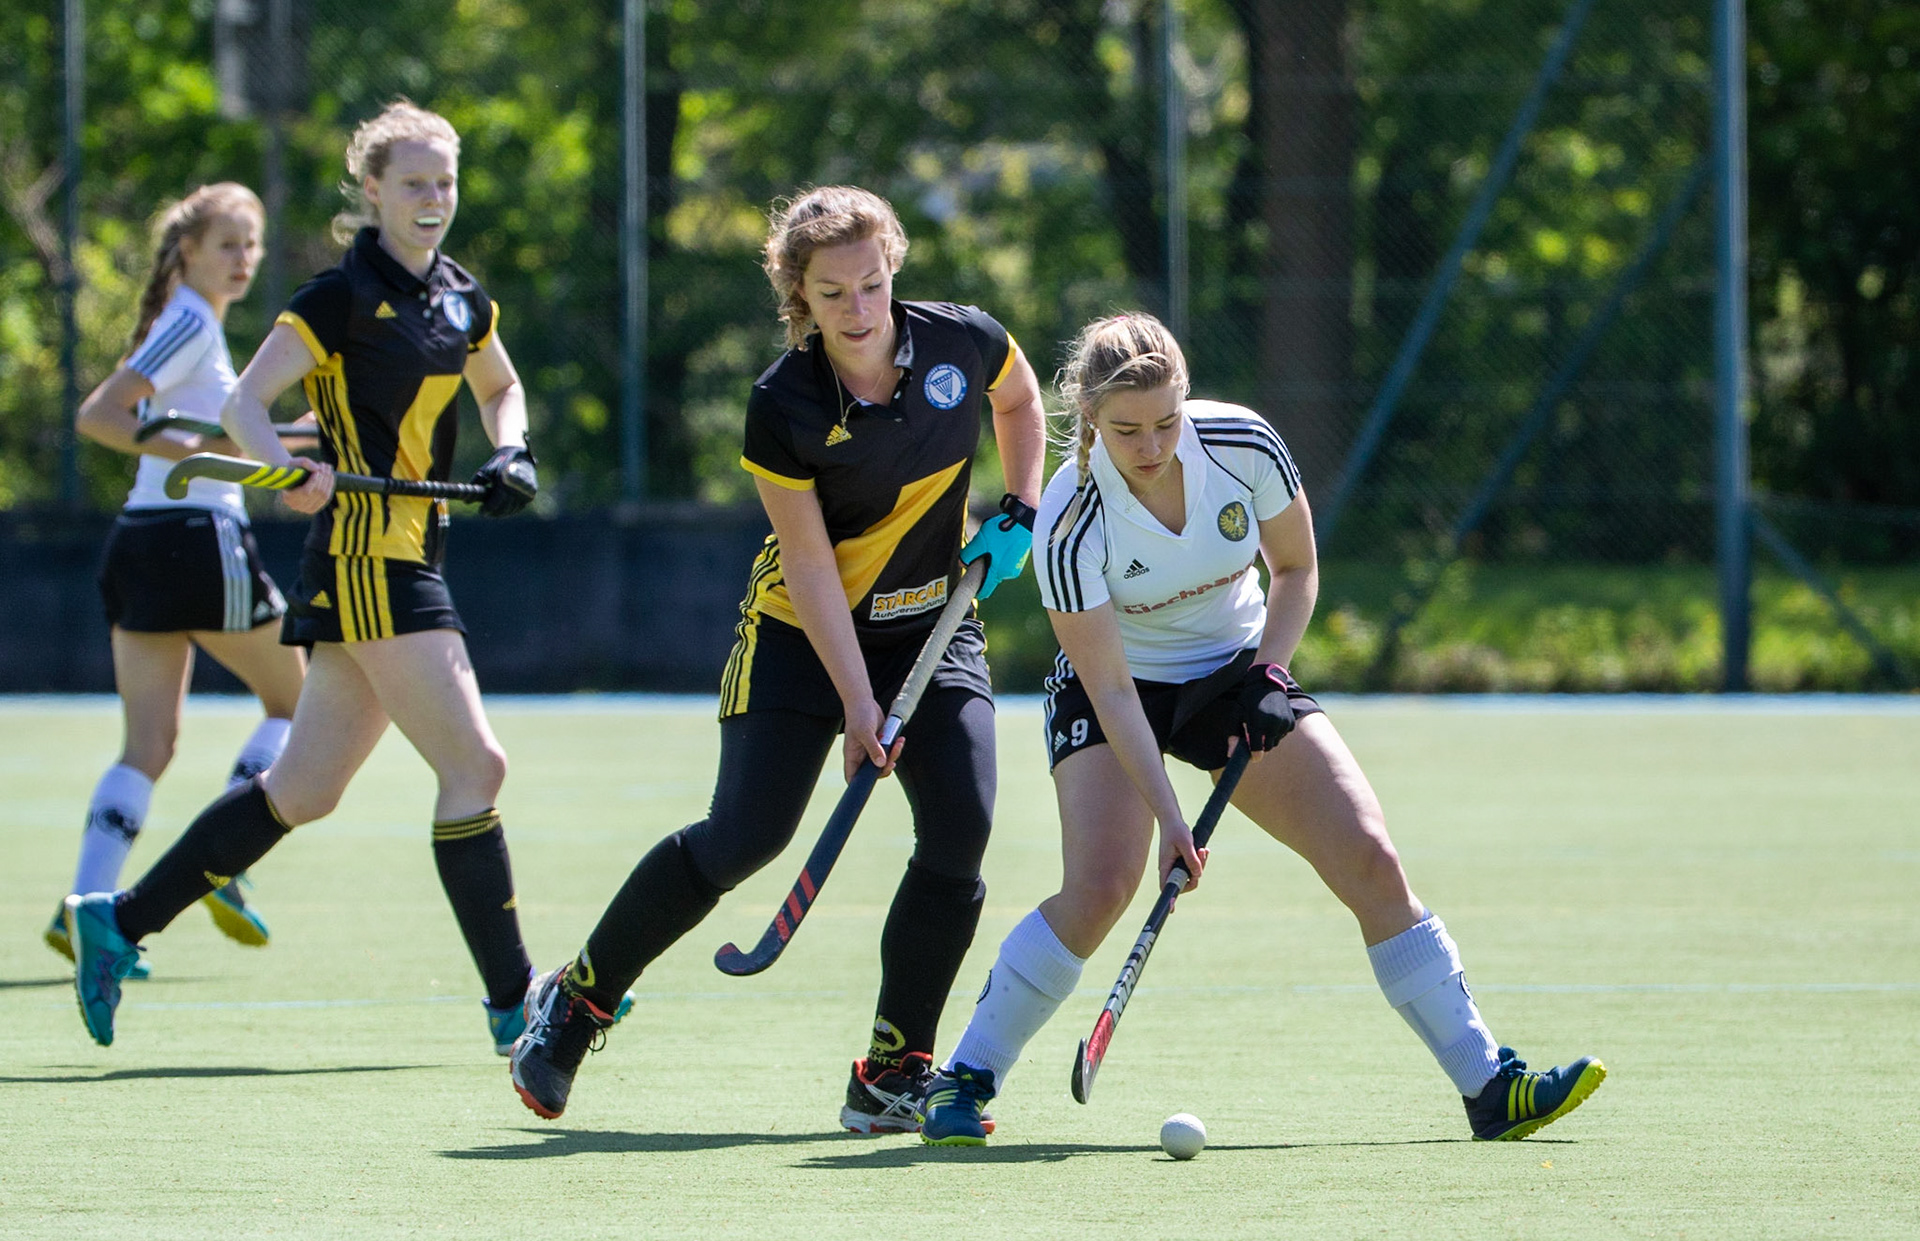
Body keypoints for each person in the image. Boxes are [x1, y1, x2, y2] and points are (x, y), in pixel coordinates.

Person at [919, 313, 1605, 1145]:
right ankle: (965, 1079)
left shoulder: (1243, 443)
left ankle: (1490, 1086)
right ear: (1089, 419)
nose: (1152, 446)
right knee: (1102, 886)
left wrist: (1269, 674)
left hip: (1234, 664)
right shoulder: (1070, 518)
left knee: (1370, 856)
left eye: (1167, 421)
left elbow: (1296, 568)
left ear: (1186, 396)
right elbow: (1108, 686)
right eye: (1126, 429)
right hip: (1118, 686)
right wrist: (1170, 818)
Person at [507, 184, 1048, 1128]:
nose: (858, 309)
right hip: (804, 633)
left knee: (961, 825)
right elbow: (805, 562)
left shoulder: (964, 341)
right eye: (832, 293)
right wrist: (857, 703)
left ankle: (892, 1070)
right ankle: (577, 1001)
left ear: (895, 267)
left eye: (872, 284)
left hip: (934, 625)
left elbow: (1022, 395)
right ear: (799, 293)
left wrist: (1022, 507)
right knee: (747, 835)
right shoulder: (783, 404)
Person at [63, 100, 545, 1055]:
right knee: (475, 767)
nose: (432, 200)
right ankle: (514, 1001)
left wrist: (513, 452)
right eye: (412, 184)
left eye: (444, 183)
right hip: (368, 557)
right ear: (371, 191)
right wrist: (285, 476)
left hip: (418, 545)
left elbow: (500, 387)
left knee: (302, 788)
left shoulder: (461, 298)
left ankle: (118, 919)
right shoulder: (333, 299)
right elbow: (248, 400)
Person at [46, 182, 308, 978]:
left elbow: (200, 428)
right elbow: (103, 414)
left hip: (139, 542)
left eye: (251, 243)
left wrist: (295, 441)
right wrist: (212, 458)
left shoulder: (198, 327)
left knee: (148, 745)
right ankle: (225, 859)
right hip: (196, 537)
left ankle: (87, 905)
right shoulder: (191, 321)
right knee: (298, 702)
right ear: (187, 251)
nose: (242, 258)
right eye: (227, 242)